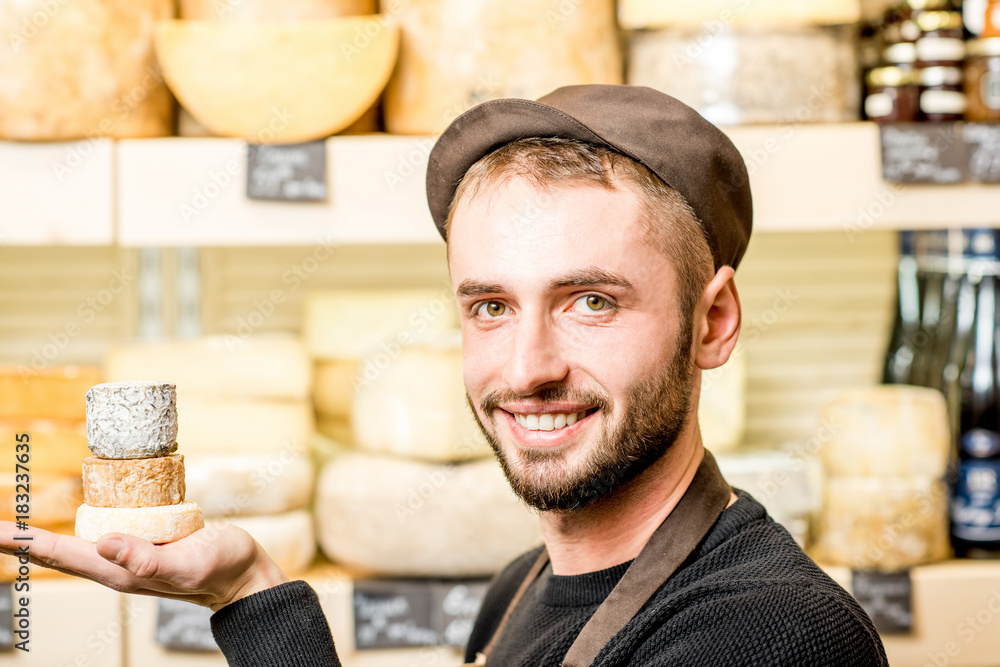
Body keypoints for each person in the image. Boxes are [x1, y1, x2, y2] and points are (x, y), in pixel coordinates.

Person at [1, 85, 888, 666]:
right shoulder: (520, 590)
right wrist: (249, 590)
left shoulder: (769, 638)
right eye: (491, 306)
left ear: (714, 321)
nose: (528, 369)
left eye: (591, 302)